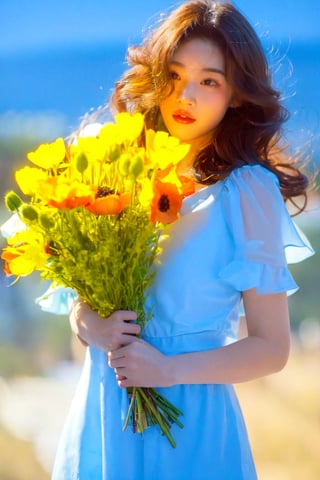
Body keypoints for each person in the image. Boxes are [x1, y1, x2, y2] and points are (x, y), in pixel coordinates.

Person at [50, 1, 314, 479]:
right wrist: (88, 323)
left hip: (191, 425)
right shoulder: (112, 171)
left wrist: (168, 371)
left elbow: (272, 349)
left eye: (209, 81)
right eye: (173, 75)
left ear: (236, 94)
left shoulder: (246, 192)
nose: (185, 95)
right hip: (103, 413)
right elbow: (77, 301)